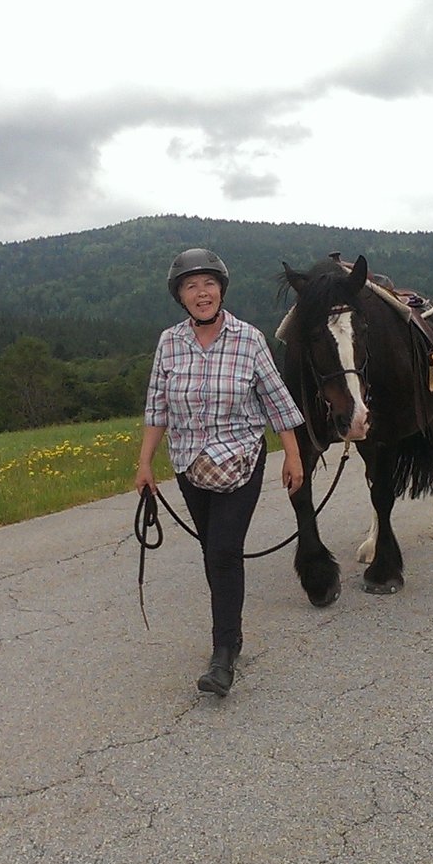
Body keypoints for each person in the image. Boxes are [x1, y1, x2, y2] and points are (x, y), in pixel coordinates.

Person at [135, 248, 306, 697]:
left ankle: (223, 654)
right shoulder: (169, 343)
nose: (201, 292)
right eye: (191, 286)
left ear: (221, 289)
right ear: (181, 296)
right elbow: (157, 407)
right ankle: (231, 630)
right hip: (190, 463)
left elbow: (278, 403)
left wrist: (293, 456)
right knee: (213, 551)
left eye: (208, 283)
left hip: (241, 459)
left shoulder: (249, 340)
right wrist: (145, 463)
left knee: (225, 552)